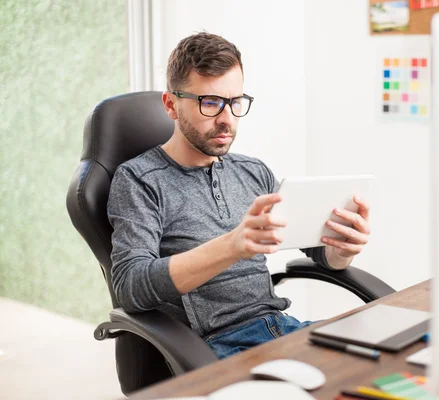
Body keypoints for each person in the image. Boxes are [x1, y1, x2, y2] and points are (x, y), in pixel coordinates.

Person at [107, 32, 371, 360]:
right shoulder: (139, 180)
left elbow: (320, 253)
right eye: (210, 102)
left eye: (235, 102)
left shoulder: (253, 172)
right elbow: (131, 287)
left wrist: (342, 249)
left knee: (390, 350)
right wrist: (232, 246)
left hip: (282, 330)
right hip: (219, 351)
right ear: (171, 105)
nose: (227, 119)